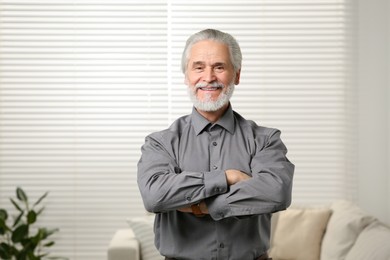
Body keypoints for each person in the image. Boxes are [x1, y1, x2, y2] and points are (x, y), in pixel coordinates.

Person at [137, 29, 294, 260]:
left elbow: (276, 192)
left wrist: (200, 205)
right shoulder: (160, 143)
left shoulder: (265, 140)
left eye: (219, 67)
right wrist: (228, 177)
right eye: (198, 67)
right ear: (186, 75)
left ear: (237, 75)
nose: (208, 77)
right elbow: (154, 196)